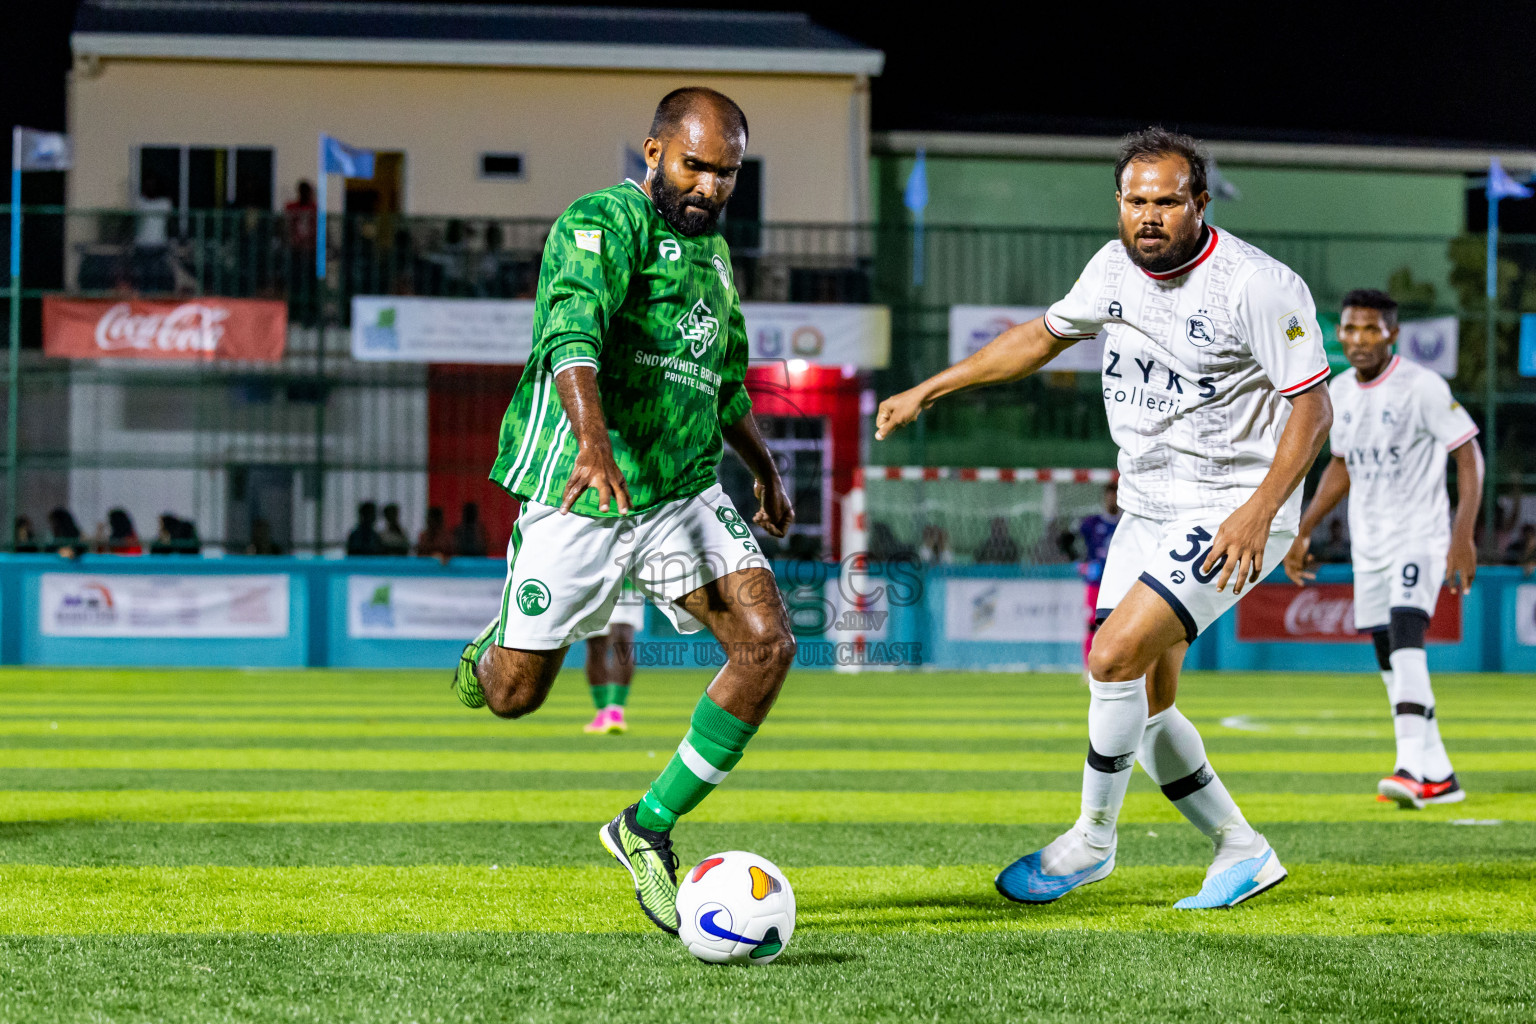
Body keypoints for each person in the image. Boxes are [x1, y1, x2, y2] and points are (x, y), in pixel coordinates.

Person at [877, 127, 1332, 910]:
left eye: (1166, 202)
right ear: (1119, 202)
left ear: (1200, 202)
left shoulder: (1257, 285)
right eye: (1135, 201)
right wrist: (931, 387)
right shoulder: (1112, 267)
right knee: (1149, 705)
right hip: (1147, 510)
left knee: (1112, 657)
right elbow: (1039, 339)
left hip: (1230, 510)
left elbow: (1313, 408)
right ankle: (1242, 849)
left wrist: (1261, 511)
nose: (1148, 216)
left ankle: (1091, 841)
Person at [451, 87, 795, 935]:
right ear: (653, 153)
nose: (711, 187)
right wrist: (594, 445)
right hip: (583, 491)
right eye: (696, 165)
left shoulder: (715, 262)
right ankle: (492, 648)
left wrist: (767, 470)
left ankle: (645, 827)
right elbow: (572, 335)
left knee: (768, 645)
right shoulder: (602, 222)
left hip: (680, 493)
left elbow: (725, 384)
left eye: (728, 173)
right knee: (513, 697)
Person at [1283, 288, 1480, 809]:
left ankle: (1410, 766)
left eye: (1371, 329)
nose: (1358, 338)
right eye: (1350, 328)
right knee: (1388, 656)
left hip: (1420, 534)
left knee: (1406, 632)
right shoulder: (1339, 391)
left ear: (1392, 333)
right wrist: (1304, 529)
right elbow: (1340, 465)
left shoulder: (1423, 387)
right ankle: (1439, 776)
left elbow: (1469, 456)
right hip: (1369, 543)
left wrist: (1462, 537)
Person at [584, 582, 647, 735]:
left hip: (624, 579)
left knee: (622, 637)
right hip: (591, 581)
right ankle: (602, 711)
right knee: (596, 646)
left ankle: (615, 711)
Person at [1079, 481, 1121, 666]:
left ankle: (1117, 666)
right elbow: (1067, 541)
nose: (1112, 499)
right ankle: (1088, 669)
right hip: (1095, 582)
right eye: (1109, 495)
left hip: (1120, 582)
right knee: (1091, 625)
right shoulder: (1091, 523)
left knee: (1119, 626)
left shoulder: (1127, 524)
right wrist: (1080, 564)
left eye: (1116, 495)